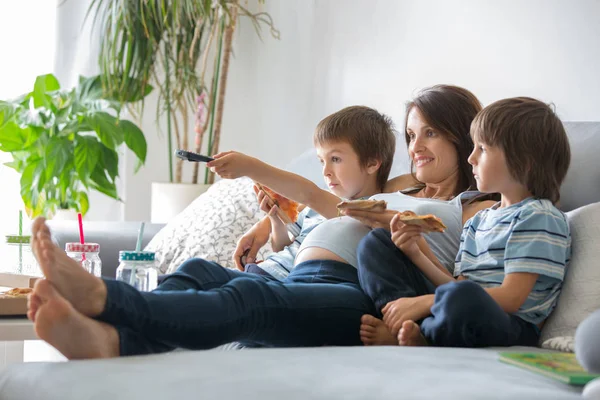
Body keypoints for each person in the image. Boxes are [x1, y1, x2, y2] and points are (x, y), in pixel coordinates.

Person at [27, 105, 396, 358]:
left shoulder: (382, 208)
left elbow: (311, 194)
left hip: (339, 292)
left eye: (336, 158)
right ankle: (114, 340)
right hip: (289, 280)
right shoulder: (317, 215)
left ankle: (107, 298)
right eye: (321, 161)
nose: (326, 171)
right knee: (199, 271)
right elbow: (290, 247)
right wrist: (278, 222)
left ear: (372, 162)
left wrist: (251, 166)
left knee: (246, 295)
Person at [360, 97, 572, 349]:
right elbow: (454, 285)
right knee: (377, 243)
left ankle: (425, 332)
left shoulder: (538, 216)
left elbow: (511, 298)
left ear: (524, 161)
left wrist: (427, 302)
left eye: (482, 149)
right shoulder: (480, 220)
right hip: (457, 308)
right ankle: (403, 323)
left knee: (464, 298)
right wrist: (415, 252)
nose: (470, 158)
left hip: (509, 323)